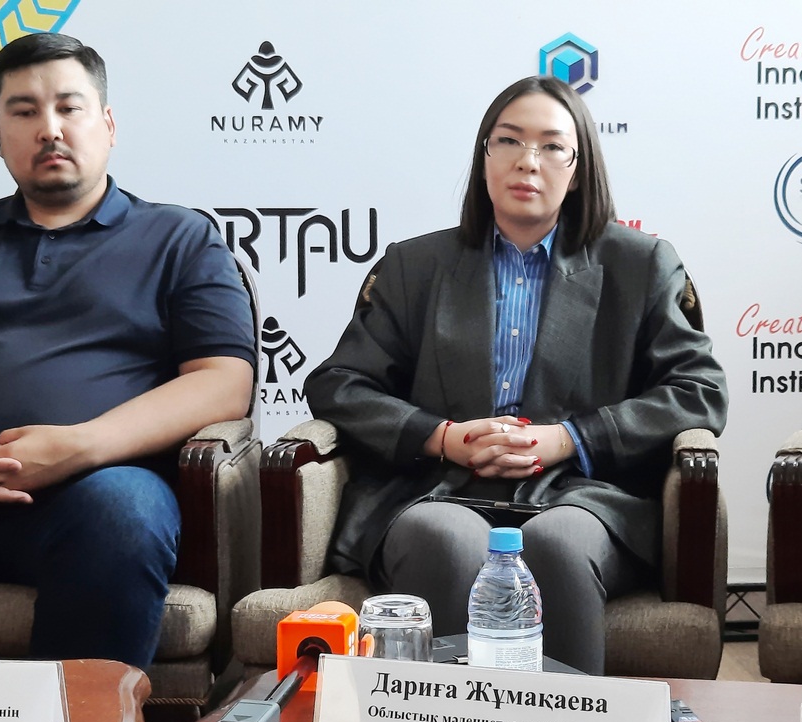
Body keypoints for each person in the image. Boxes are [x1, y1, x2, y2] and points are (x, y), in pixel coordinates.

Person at [0, 33, 256, 669]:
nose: (49, 129)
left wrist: (77, 447)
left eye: (69, 107)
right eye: (25, 111)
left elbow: (223, 380)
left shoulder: (179, 237)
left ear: (107, 124)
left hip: (93, 490)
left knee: (124, 513)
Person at [304, 75, 728, 675]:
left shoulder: (640, 265)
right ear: (484, 157)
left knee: (557, 545)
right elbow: (339, 383)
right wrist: (442, 436)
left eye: (552, 146)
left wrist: (569, 438)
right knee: (443, 539)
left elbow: (699, 391)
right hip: (439, 488)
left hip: (582, 496)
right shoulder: (414, 265)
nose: (528, 161)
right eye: (508, 141)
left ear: (577, 171)